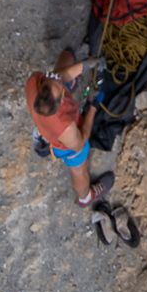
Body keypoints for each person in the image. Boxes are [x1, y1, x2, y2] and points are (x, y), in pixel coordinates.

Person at [25, 52, 101, 211]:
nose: (59, 81)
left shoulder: (34, 83)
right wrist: (92, 108)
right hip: (66, 146)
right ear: (60, 104)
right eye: (62, 88)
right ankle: (85, 196)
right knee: (79, 168)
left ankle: (42, 136)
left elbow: (56, 78)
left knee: (67, 56)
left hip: (47, 127)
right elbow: (80, 142)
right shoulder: (64, 127)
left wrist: (87, 64)